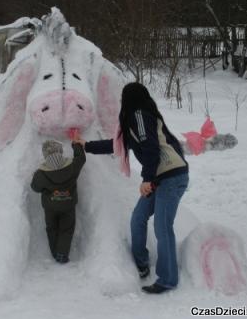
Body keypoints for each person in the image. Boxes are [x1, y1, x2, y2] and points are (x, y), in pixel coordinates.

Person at [73, 82, 189, 294]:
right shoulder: (134, 122)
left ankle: (168, 279)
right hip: (159, 177)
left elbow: (151, 148)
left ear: (129, 99)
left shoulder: (139, 115)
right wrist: (86, 146)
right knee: (138, 218)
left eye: (122, 99)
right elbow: (116, 145)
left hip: (171, 176)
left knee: (162, 227)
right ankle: (142, 264)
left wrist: (147, 179)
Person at [30, 140, 86, 264]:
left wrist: (35, 176)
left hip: (50, 208)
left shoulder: (41, 174)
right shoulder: (72, 167)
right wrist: (76, 144)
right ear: (60, 152)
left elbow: (35, 188)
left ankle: (55, 252)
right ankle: (62, 254)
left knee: (52, 228)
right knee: (66, 229)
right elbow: (81, 158)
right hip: (68, 206)